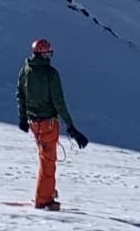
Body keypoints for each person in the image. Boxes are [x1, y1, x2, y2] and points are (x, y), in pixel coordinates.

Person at [16, 38, 87, 210]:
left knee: (45, 158)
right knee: (48, 161)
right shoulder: (51, 74)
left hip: (34, 122)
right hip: (47, 123)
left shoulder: (26, 69)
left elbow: (20, 93)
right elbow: (59, 102)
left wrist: (23, 117)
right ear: (42, 54)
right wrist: (71, 127)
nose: (49, 56)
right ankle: (43, 200)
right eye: (48, 53)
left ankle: (46, 191)